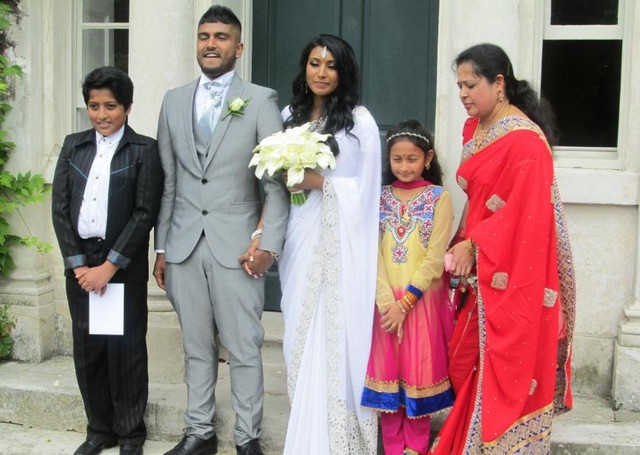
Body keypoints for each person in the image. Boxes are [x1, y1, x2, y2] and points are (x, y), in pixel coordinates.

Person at [153, 5, 289, 455]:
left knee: (244, 345)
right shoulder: (173, 100)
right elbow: (169, 181)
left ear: (239, 47)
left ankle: (247, 438)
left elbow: (275, 183)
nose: (211, 44)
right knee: (195, 345)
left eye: (221, 37)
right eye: (204, 36)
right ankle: (199, 432)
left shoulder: (260, 100)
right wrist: (162, 247)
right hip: (184, 244)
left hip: (237, 246)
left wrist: (268, 244)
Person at [428, 43, 576, 454]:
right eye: (459, 85)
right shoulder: (476, 129)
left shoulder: (526, 143)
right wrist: (460, 242)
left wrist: (475, 246)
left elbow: (526, 216)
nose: (463, 94)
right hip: (479, 272)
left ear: (498, 83)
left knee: (498, 367)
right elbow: (480, 199)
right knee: (462, 361)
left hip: (511, 274)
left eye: (470, 85)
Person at [278, 34, 381, 454]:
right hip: (298, 239)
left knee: (333, 334)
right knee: (297, 333)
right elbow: (276, 187)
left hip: (341, 247)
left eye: (331, 65)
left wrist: (320, 183)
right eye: (315, 63)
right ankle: (304, 433)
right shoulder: (289, 117)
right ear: (304, 67)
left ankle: (336, 441)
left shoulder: (360, 122)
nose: (322, 73)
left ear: (344, 72)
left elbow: (368, 191)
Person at [52, 66, 163, 455]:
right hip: (82, 264)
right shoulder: (74, 146)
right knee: (89, 348)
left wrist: (109, 267)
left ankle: (130, 433)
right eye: (94, 106)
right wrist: (78, 265)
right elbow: (60, 209)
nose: (102, 114)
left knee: (125, 349)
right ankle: (100, 429)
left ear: (127, 107)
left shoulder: (144, 150)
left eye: (111, 106)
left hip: (120, 263)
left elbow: (144, 213)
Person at [361, 120, 455, 455]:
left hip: (422, 303)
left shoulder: (439, 198)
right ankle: (392, 449)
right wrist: (387, 303)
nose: (403, 166)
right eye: (397, 159)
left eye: (411, 159)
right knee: (389, 377)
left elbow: (435, 258)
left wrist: (405, 304)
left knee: (418, 374)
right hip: (385, 306)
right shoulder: (379, 197)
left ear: (427, 158)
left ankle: (415, 448)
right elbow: (370, 252)